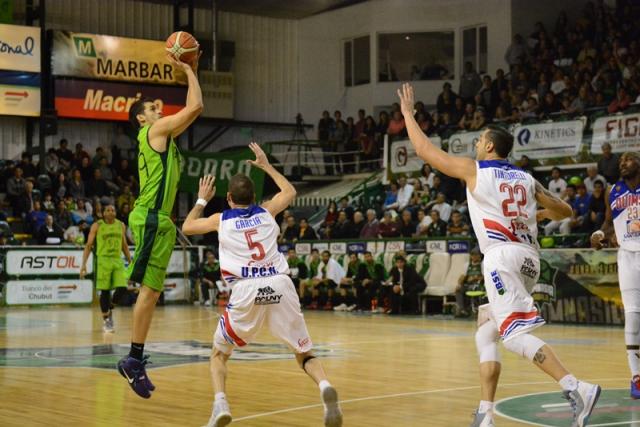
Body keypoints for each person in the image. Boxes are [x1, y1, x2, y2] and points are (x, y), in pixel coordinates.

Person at [398, 83, 600, 427]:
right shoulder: (526, 179)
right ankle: (486, 414)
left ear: (489, 146)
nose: (476, 145)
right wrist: (531, 216)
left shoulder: (475, 170)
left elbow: (423, 149)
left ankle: (576, 386)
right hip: (528, 260)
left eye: (479, 141)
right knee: (485, 330)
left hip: (501, 257)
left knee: (514, 336)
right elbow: (565, 210)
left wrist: (407, 114)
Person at [181, 143, 342, 427]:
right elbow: (290, 192)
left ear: (228, 198)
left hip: (247, 288)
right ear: (254, 197)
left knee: (219, 354)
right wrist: (267, 166)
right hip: (280, 283)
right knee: (304, 353)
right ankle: (324, 385)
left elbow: (188, 227)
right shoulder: (267, 212)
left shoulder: (221, 220)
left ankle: (220, 405)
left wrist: (202, 200)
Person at [117, 52, 203, 399]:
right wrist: (188, 69)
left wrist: (191, 72)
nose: (159, 110)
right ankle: (132, 358)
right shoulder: (153, 130)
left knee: (152, 294)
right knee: (149, 292)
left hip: (162, 221)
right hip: (151, 217)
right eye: (152, 108)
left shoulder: (164, 135)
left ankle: (135, 359)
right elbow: (196, 107)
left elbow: (191, 112)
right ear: (142, 119)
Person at [592, 152, 640, 399]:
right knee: (632, 315)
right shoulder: (614, 190)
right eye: (621, 161)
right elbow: (609, 224)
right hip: (628, 256)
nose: (623, 163)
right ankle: (636, 377)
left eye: (629, 159)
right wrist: (600, 235)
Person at [80, 204, 131, 333]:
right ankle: (107, 321)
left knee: (122, 288)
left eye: (113, 210)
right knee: (105, 291)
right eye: (107, 210)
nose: (110, 212)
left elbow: (124, 244)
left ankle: (110, 307)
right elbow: (89, 245)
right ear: (103, 213)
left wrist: (130, 261)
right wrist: (83, 264)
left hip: (117, 260)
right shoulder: (97, 225)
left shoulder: (121, 225)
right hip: (103, 260)